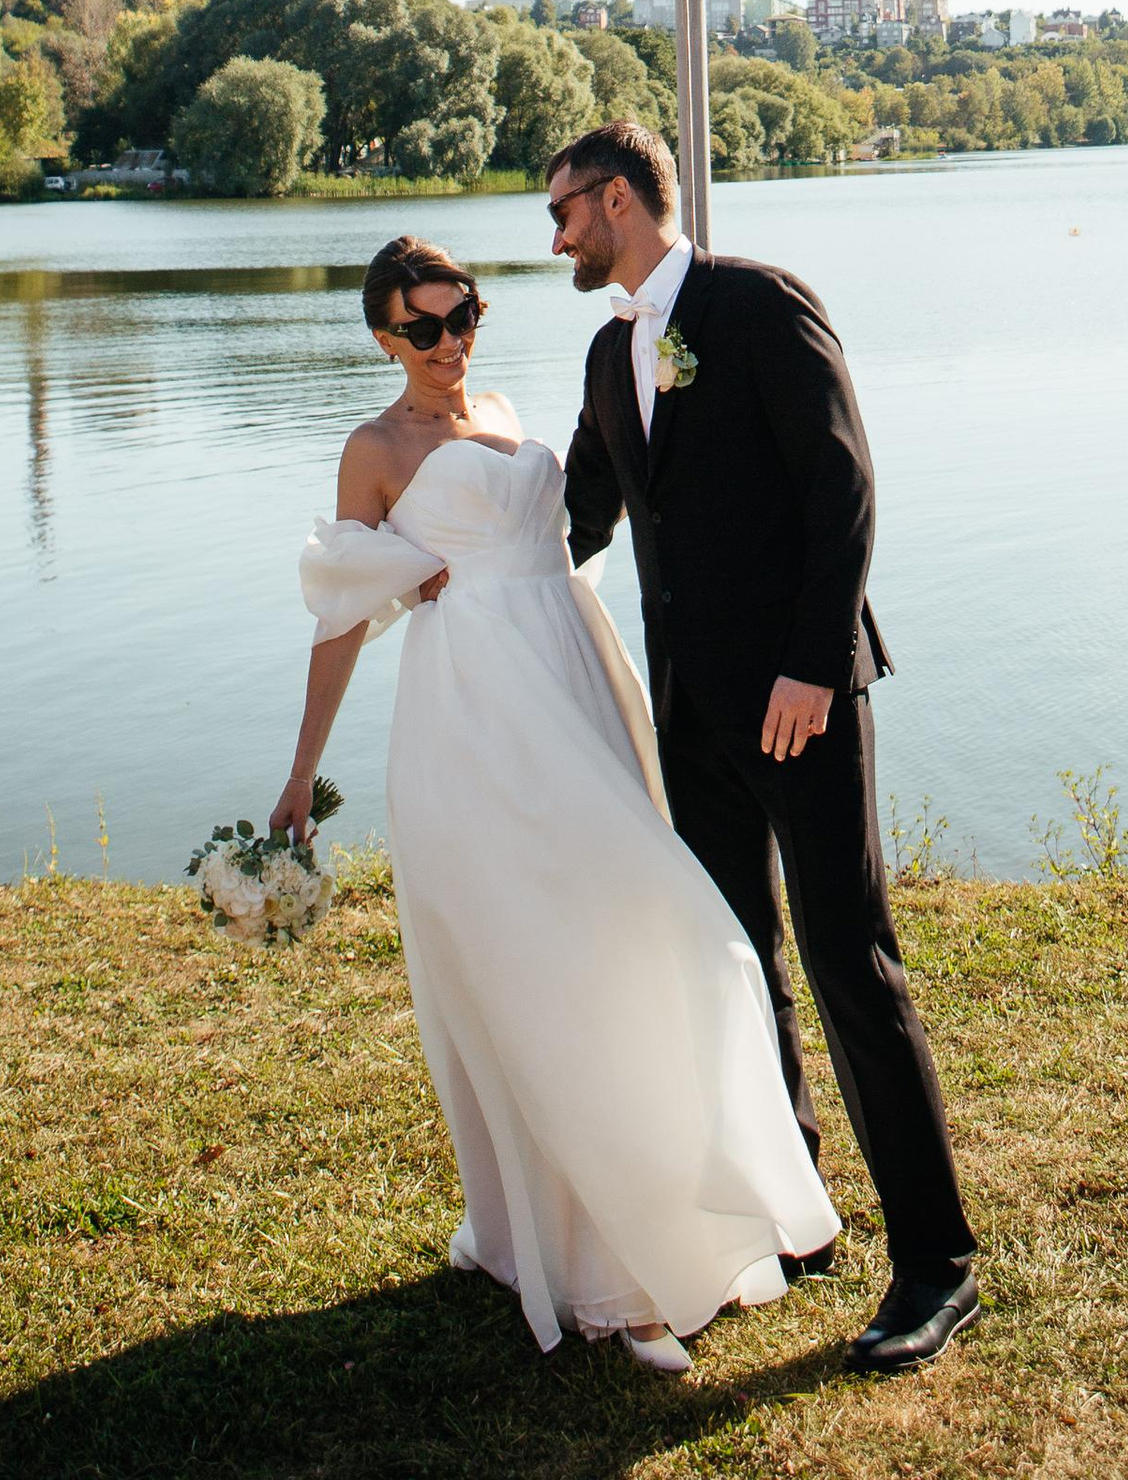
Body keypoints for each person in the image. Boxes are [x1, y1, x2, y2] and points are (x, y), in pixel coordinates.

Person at [270, 233, 835, 1374]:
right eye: (421, 328)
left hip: (578, 678)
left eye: (460, 315)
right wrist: (297, 777)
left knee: (653, 932)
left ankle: (682, 1201)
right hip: (476, 717)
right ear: (385, 337)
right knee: (539, 964)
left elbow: (585, 515)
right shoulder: (372, 451)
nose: (448, 342)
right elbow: (340, 614)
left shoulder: (517, 409)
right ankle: (609, 1281)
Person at [554, 120, 979, 1375]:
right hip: (689, 714)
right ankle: (798, 1210)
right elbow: (578, 514)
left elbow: (842, 488)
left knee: (853, 962)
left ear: (621, 199)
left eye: (564, 210)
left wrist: (809, 662)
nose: (557, 236)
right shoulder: (606, 349)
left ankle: (936, 1267)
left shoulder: (757, 303)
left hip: (801, 700)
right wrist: (450, 549)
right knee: (739, 960)